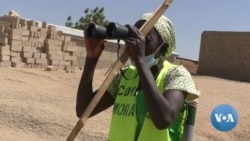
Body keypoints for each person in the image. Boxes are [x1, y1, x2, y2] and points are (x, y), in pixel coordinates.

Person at [76, 13, 199, 141]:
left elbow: (163, 119)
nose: (135, 44)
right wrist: (91, 59)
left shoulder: (176, 75)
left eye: (145, 40)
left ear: (163, 48)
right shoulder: (125, 76)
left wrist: (140, 60)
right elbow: (84, 110)